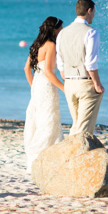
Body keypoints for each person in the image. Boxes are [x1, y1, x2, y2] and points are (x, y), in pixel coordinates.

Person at [56, 0, 104, 136]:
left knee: (76, 125)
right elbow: (90, 63)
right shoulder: (91, 32)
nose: (94, 15)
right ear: (89, 11)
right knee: (84, 131)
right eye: (94, 12)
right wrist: (97, 84)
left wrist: (68, 79)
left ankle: (71, 154)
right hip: (85, 83)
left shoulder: (62, 33)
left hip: (69, 83)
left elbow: (60, 62)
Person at [23, 16, 64, 172]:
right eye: (60, 29)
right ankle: (43, 159)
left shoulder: (36, 45)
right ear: (54, 29)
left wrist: (34, 86)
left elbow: (27, 69)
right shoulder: (51, 45)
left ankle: (36, 159)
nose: (61, 31)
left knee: (38, 121)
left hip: (37, 87)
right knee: (49, 121)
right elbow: (48, 72)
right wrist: (64, 88)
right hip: (47, 87)